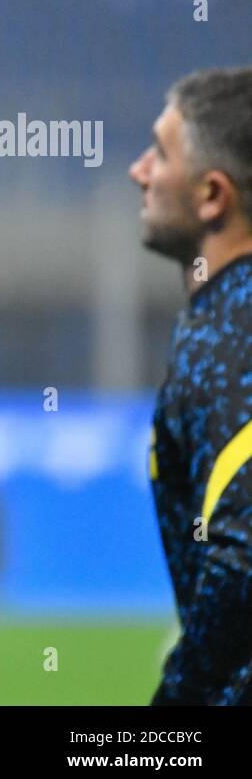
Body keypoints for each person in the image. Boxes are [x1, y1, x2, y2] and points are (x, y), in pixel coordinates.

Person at [128, 66, 252, 704]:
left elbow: (242, 549)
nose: (138, 170)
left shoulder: (232, 332)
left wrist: (175, 707)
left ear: (212, 196)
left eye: (160, 152)